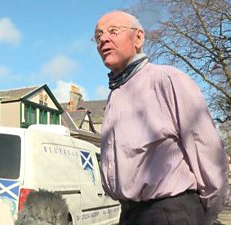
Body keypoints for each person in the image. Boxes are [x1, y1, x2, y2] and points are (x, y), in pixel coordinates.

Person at [93, 10, 229, 225]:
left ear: (138, 37)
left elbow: (207, 149)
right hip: (130, 214)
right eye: (98, 35)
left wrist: (206, 213)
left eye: (113, 31)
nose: (103, 39)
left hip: (170, 213)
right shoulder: (115, 96)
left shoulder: (167, 79)